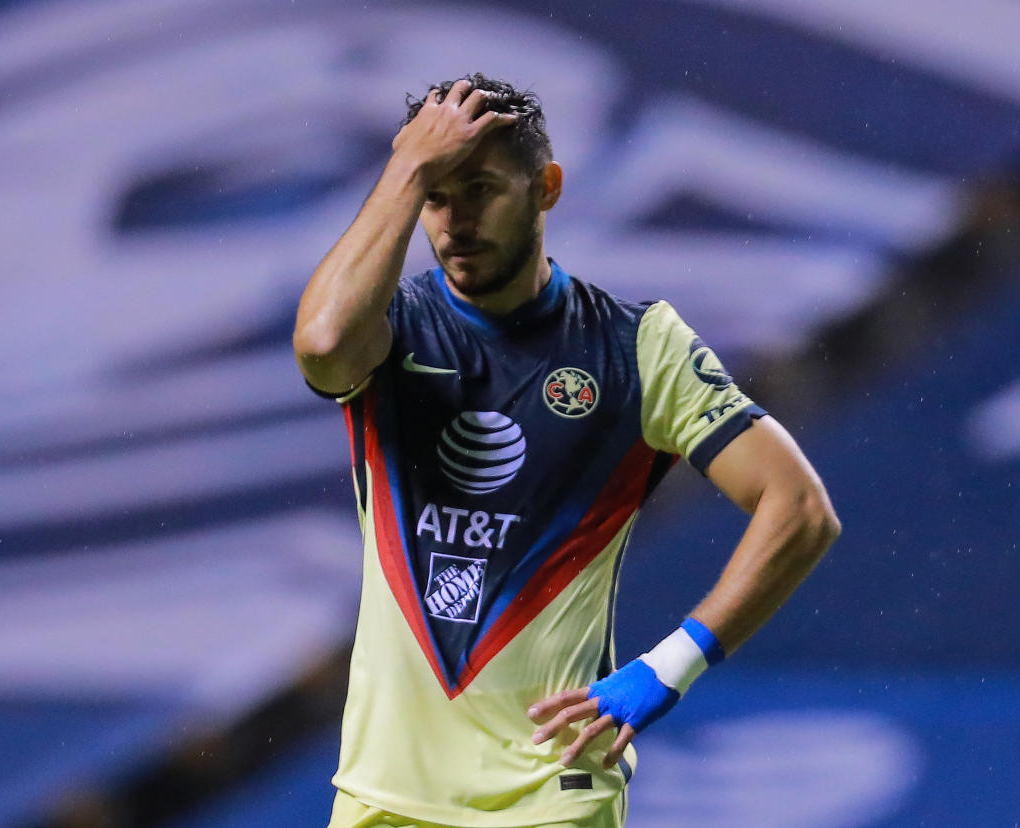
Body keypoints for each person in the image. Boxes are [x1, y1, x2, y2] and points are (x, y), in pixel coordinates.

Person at [293, 73, 841, 828]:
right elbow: (321, 346)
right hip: (380, 797)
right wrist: (405, 165)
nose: (454, 222)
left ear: (545, 187)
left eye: (480, 188)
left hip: (549, 799)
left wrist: (669, 666)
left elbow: (801, 509)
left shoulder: (639, 347)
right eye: (435, 195)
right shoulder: (389, 329)